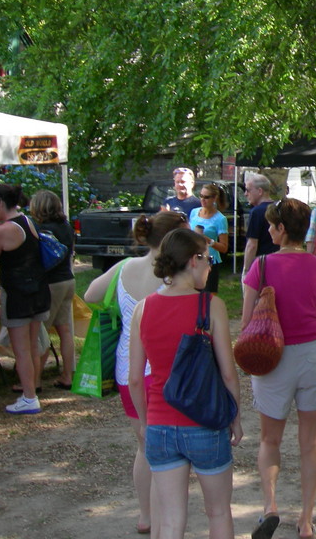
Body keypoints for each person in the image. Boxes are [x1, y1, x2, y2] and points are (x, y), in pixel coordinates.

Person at [129, 228, 243, 539]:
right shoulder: (210, 306)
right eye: (208, 259)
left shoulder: (143, 308)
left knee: (169, 521)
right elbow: (228, 373)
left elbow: (136, 378)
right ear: (193, 260)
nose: (210, 265)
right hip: (205, 421)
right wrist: (235, 416)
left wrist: (144, 420)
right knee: (218, 512)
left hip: (160, 424)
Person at [87, 210, 188, 535]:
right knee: (166, 453)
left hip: (127, 368)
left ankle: (146, 515)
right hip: (162, 368)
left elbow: (90, 295)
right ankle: (163, 518)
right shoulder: (173, 274)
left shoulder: (123, 268)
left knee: (144, 447)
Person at [242, 199, 316, 539]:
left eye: (271, 225)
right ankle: (306, 520)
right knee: (310, 443)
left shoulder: (261, 266)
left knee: (269, 438)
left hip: (272, 356)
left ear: (281, 229)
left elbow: (247, 319)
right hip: (312, 357)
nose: (268, 230)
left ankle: (270, 506)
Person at [0, 183, 50, 414]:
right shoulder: (27, 221)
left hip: (18, 296)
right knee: (31, 346)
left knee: (21, 351)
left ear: (0, 203)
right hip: (38, 291)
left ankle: (29, 397)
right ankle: (32, 391)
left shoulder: (3, 230)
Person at [31, 189, 76, 391]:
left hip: (49, 284)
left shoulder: (40, 229)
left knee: (40, 332)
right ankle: (68, 375)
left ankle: (34, 382)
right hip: (68, 280)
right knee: (65, 331)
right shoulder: (66, 227)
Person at [190, 183, 229, 294]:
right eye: (201, 196)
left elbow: (224, 248)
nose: (203, 199)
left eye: (206, 197)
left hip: (210, 261)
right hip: (193, 258)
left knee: (209, 297)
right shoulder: (194, 212)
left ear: (214, 198)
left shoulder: (220, 219)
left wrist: (208, 240)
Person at [243, 173, 279, 276]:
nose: (245, 194)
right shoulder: (278, 207)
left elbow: (252, 244)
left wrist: (246, 270)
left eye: (248, 190)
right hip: (279, 261)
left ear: (260, 191)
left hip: (262, 264)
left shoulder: (257, 212)